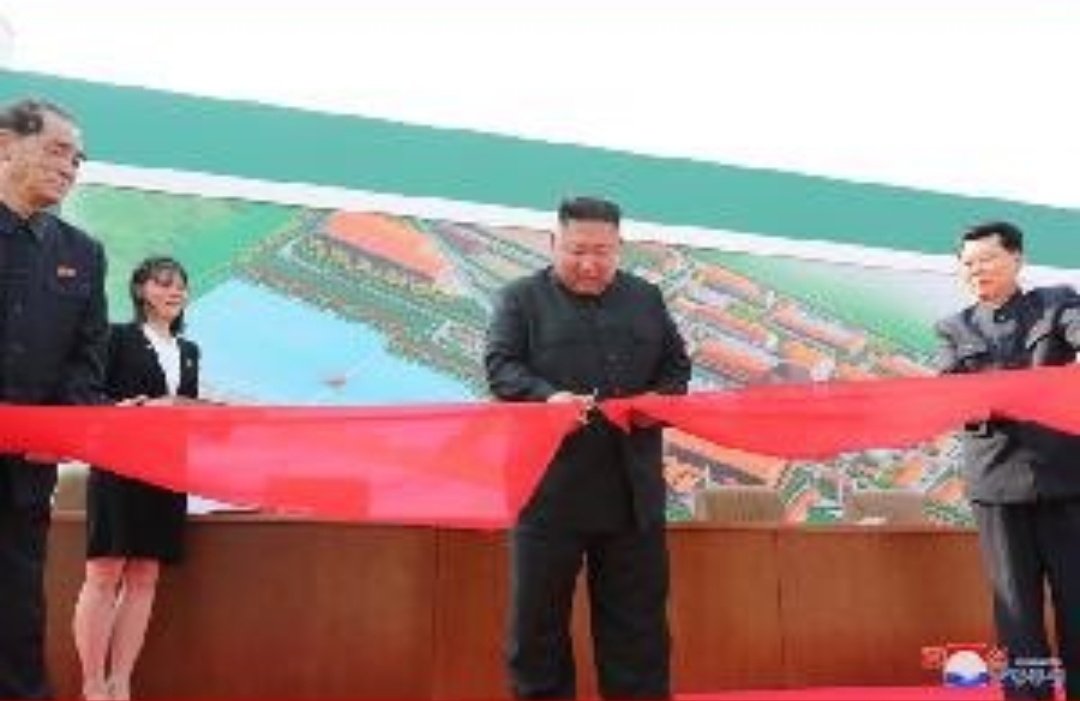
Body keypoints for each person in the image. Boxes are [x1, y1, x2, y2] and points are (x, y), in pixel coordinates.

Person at [484, 196, 691, 699]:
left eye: (603, 252)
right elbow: (501, 367)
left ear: (619, 248)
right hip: (548, 492)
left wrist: (657, 400)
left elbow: (676, 367)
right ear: (554, 243)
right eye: (577, 251)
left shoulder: (645, 298)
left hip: (631, 494)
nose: (590, 264)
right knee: (538, 630)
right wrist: (547, 398)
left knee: (638, 631)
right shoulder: (520, 299)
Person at [934, 221, 1080, 700]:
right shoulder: (954, 328)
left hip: (1066, 478)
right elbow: (950, 393)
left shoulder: (1055, 303)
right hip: (996, 485)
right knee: (1017, 611)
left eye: (988, 259)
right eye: (968, 263)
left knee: (1077, 599)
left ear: (1017, 259)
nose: (977, 270)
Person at [0, 98, 109, 699]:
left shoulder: (81, 254)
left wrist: (64, 430)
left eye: (77, 159)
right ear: (5, 146)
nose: (70, 167)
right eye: (57, 150)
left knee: (18, 615)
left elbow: (85, 362)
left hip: (24, 476)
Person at [73, 256, 200, 701]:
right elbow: (89, 395)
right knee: (105, 572)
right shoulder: (117, 338)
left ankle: (120, 681)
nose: (175, 291)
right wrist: (120, 411)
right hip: (118, 464)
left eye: (181, 284)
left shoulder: (189, 351)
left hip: (167, 470)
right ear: (141, 290)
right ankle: (92, 684)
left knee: (145, 575)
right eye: (164, 283)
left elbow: (186, 411)